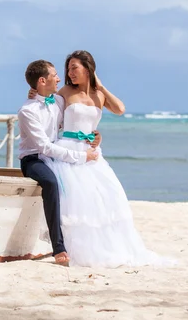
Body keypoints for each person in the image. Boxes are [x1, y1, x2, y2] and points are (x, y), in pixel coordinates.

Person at [32, 50, 174, 267]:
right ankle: (70, 249)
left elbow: (120, 109)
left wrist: (100, 86)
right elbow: (48, 105)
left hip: (93, 154)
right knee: (78, 203)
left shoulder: (99, 96)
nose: (70, 72)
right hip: (70, 150)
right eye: (68, 68)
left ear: (88, 69)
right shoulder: (66, 91)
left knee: (106, 198)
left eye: (74, 67)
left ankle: (104, 248)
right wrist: (35, 95)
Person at [17, 60, 100, 266]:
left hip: (55, 157)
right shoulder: (27, 111)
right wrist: (81, 156)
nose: (59, 78)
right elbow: (44, 147)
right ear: (42, 80)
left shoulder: (58, 102)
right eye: (55, 75)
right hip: (34, 159)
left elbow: (77, 120)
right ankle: (58, 247)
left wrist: (94, 136)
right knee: (52, 183)